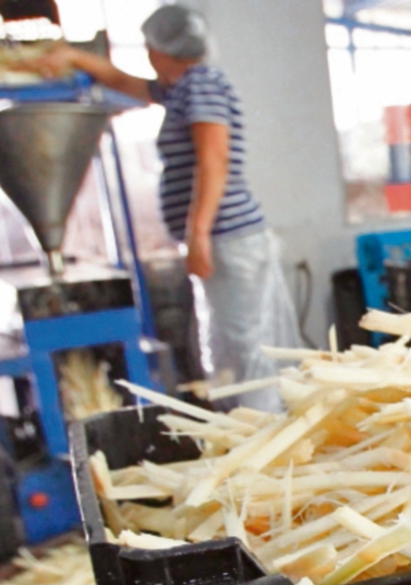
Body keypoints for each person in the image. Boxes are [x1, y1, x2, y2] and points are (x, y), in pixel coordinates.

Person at [27, 5, 299, 413]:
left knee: (246, 349)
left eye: (149, 48)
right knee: (230, 347)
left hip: (229, 238)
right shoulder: (183, 87)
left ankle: (264, 440)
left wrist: (199, 234)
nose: (149, 57)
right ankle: (244, 430)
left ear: (161, 49)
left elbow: (214, 159)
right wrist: (75, 57)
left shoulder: (202, 84)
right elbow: (126, 83)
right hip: (224, 238)